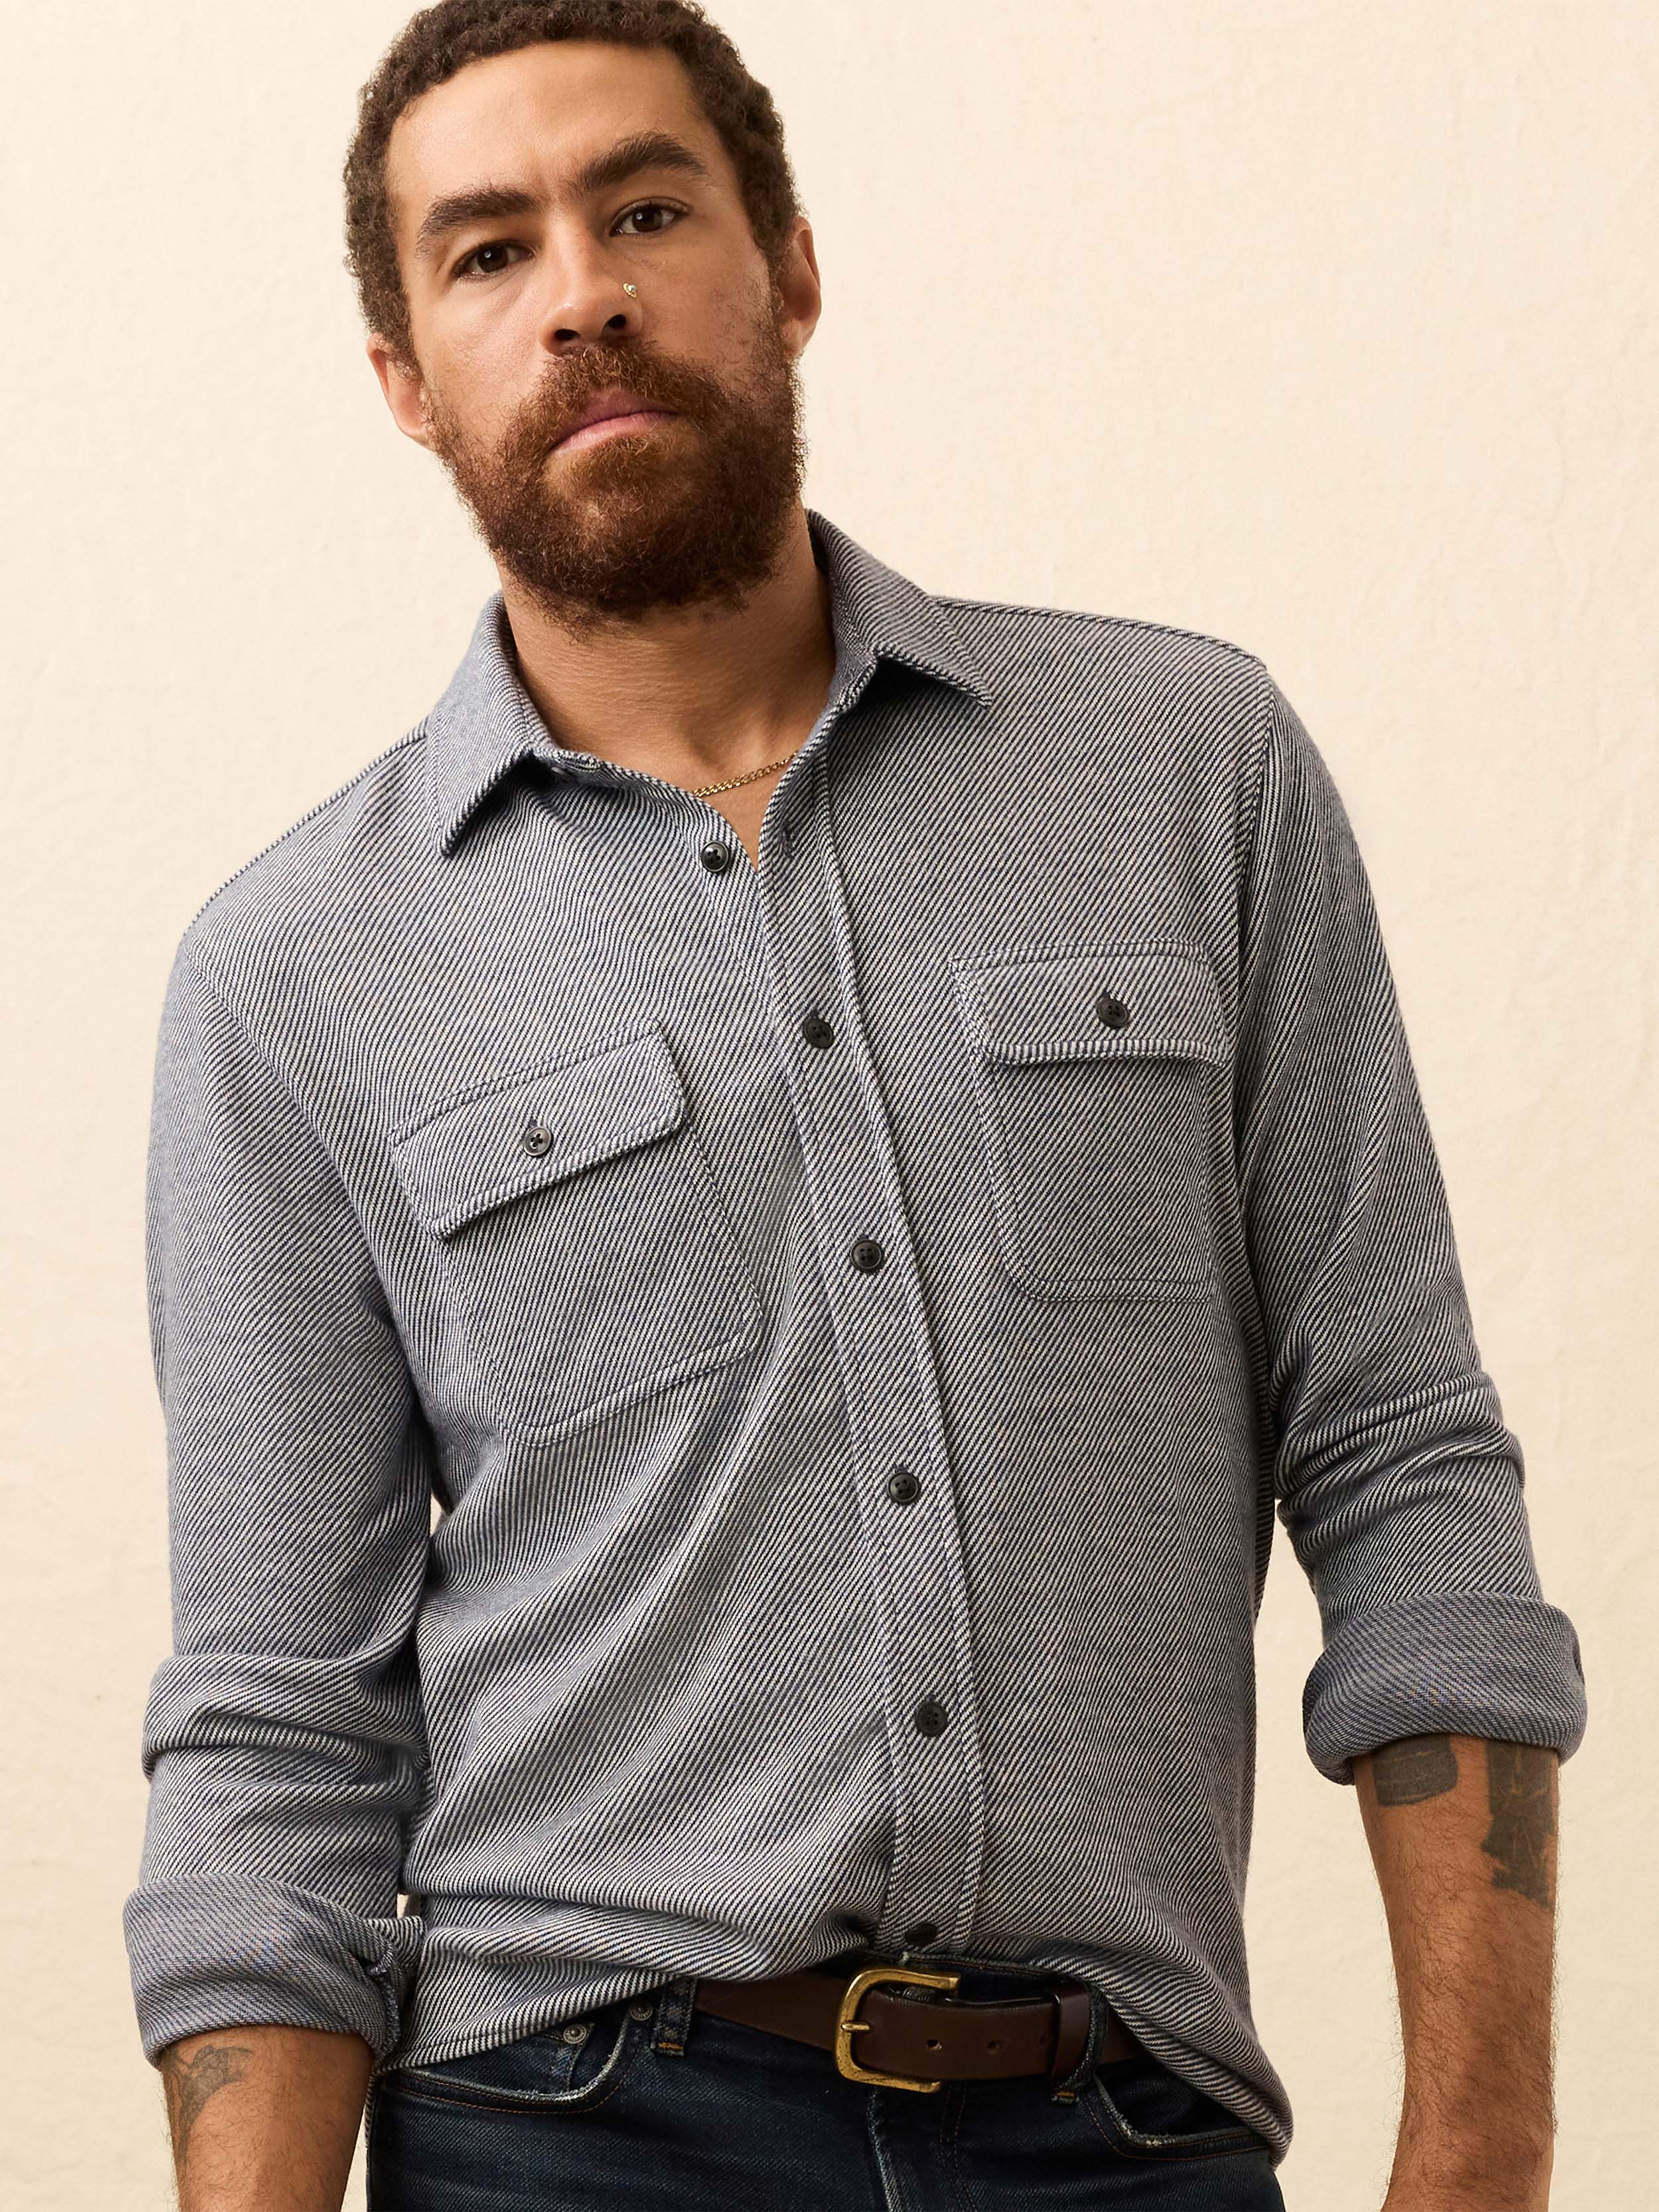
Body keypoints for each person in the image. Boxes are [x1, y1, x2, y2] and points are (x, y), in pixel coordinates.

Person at [121, 5, 1587, 2209]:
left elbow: (1397, 1462)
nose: (583, 291)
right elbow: (277, 1732)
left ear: (788, 261)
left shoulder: (1188, 773)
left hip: (1123, 2131)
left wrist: (1478, 2159)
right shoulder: (293, 976)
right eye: (486, 252)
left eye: (641, 209)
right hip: (564, 2137)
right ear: (407, 381)